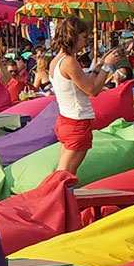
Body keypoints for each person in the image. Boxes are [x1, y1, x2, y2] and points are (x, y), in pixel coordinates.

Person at [49, 16, 102, 176]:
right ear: (73, 36)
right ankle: (54, 199)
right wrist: (107, 67)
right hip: (77, 122)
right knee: (65, 174)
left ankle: (61, 198)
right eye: (84, 37)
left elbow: (83, 84)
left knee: (64, 172)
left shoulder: (56, 61)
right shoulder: (70, 62)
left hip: (65, 120)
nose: (86, 42)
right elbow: (92, 90)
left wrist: (97, 70)